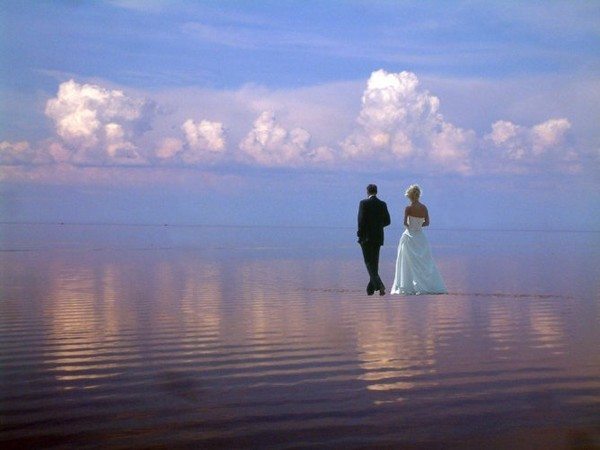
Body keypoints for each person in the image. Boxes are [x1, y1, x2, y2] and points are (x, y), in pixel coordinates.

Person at [391, 184, 447, 295]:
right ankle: (429, 285)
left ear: (410, 196)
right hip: (420, 237)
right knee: (425, 263)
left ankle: (409, 286)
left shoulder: (408, 208)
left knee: (407, 263)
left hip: (409, 236)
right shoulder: (424, 208)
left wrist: (411, 227)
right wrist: (418, 226)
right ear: (418, 195)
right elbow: (427, 223)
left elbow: (405, 223)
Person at [357, 184, 391, 296]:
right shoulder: (382, 204)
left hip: (366, 237)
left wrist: (360, 234)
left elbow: (361, 220)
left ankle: (380, 285)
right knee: (374, 263)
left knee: (368, 262)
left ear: (367, 192)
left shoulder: (363, 203)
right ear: (376, 192)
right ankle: (370, 289)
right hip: (378, 236)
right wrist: (378, 226)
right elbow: (388, 221)